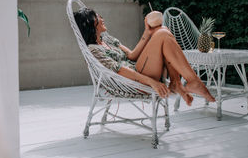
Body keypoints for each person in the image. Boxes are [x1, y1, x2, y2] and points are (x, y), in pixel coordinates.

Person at [74, 8, 216, 105]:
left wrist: (147, 33)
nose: (102, 18)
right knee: (162, 33)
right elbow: (120, 71)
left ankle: (177, 82)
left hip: (139, 70)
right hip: (132, 82)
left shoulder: (107, 39)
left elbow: (131, 55)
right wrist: (152, 82)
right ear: (90, 23)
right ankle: (191, 81)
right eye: (97, 16)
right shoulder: (93, 49)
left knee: (163, 30)